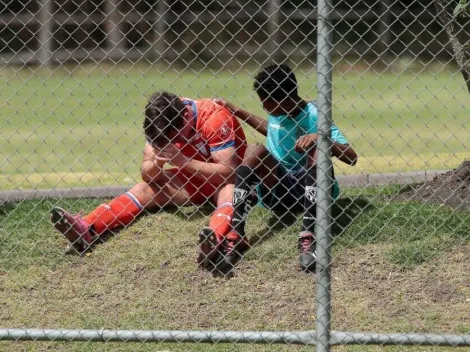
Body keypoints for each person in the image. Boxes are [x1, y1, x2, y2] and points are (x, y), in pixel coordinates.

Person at [50, 91, 247, 267]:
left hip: (224, 181)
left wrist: (182, 160)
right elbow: (147, 174)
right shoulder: (159, 122)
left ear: (186, 116)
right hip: (193, 179)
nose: (170, 143)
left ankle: (214, 239)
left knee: (230, 192)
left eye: (174, 137)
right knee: (143, 188)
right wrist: (158, 164)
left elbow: (230, 172)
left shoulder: (213, 117)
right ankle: (87, 228)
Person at [208, 63, 358, 273]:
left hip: (312, 189)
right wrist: (236, 110)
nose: (264, 108)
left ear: (283, 100)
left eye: (266, 103)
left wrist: (320, 138)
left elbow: (352, 158)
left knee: (318, 151)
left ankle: (308, 234)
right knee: (253, 150)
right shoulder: (278, 113)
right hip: (277, 190)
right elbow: (272, 131)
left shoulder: (316, 115)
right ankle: (237, 232)